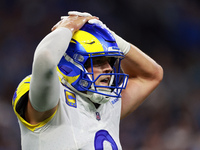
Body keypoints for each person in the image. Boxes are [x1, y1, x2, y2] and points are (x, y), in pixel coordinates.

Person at [12, 11, 163, 150]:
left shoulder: (108, 103)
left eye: (109, 61)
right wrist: (68, 26)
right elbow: (45, 59)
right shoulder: (53, 99)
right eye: (97, 61)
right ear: (71, 63)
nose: (108, 69)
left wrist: (107, 34)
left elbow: (152, 74)